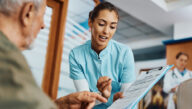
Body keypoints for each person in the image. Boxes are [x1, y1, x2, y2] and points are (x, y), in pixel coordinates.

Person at [0, 0, 107, 109]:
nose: (43, 25)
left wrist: (58, 105)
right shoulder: (7, 58)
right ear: (28, 12)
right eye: (42, 15)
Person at [69, 2, 136, 108]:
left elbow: (126, 97)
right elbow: (84, 100)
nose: (106, 31)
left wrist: (118, 100)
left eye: (112, 27)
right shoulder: (76, 55)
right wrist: (103, 95)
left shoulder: (125, 53)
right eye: (101, 24)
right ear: (90, 22)